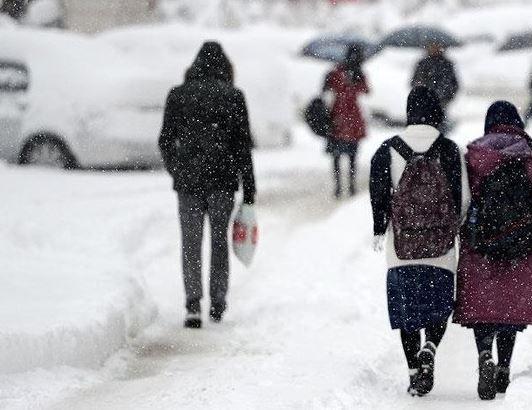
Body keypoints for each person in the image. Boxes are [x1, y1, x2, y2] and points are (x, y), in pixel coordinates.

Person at [370, 86, 469, 397]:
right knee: (439, 307)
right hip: (440, 248)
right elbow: (462, 200)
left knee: (408, 312)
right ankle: (430, 347)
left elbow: (378, 195)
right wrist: (453, 228)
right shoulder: (450, 150)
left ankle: (414, 371)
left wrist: (379, 227)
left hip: (402, 248)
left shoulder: (388, 149)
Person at [159, 41, 256, 329]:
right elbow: (243, 147)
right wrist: (249, 186)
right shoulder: (234, 96)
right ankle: (217, 302)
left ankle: (192, 304)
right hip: (222, 181)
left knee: (190, 242)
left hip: (188, 182)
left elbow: (165, 140)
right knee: (218, 241)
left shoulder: (178, 95)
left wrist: (176, 169)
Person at [454, 101, 532, 400]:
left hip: (481, 245)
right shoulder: (527, 153)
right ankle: (504, 366)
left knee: (484, 308)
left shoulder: (475, 154)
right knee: (509, 308)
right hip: (520, 244)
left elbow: (463, 201)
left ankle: (485, 354)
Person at [323, 43, 369, 198]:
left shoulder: (336, 72)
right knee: (352, 155)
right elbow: (366, 90)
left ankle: (339, 186)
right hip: (351, 118)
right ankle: (351, 185)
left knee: (337, 155)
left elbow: (326, 90)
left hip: (337, 117)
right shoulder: (357, 73)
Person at [411, 42, 459, 127]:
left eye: (437, 46)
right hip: (424, 104)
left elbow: (454, 84)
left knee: (441, 127)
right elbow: (414, 81)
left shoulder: (446, 64)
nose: (434, 48)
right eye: (431, 46)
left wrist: (446, 98)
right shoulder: (422, 63)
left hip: (441, 103)